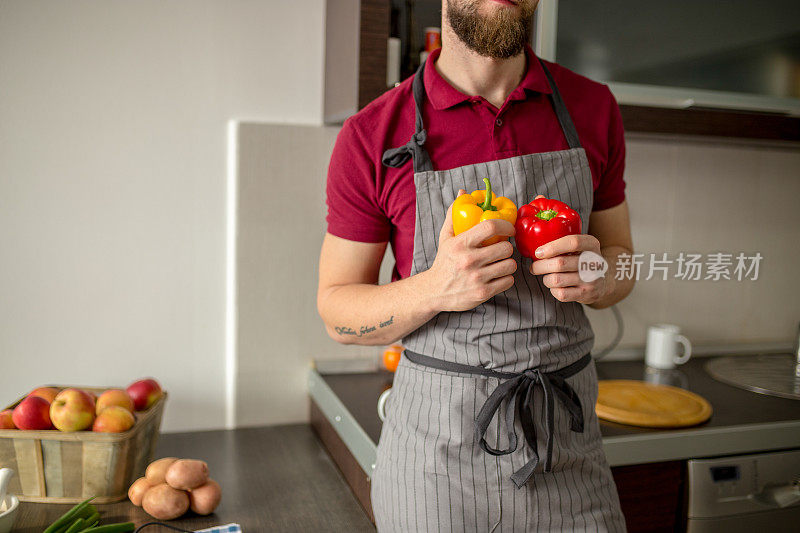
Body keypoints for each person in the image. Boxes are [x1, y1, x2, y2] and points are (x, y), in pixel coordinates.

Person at [317, 0, 634, 530]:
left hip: (570, 457)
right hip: (436, 471)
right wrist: (437, 289)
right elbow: (337, 311)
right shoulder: (372, 134)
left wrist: (598, 277)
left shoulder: (592, 107)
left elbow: (623, 262)